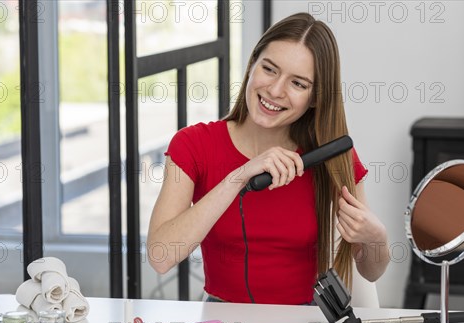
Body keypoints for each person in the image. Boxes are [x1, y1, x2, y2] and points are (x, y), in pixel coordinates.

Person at [147, 12, 390, 305]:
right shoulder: (193, 144)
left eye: (298, 84)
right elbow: (160, 257)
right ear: (251, 66)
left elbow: (371, 272)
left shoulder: (332, 155)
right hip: (224, 322)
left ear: (315, 97)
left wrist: (376, 237)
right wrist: (238, 177)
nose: (275, 90)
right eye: (270, 69)